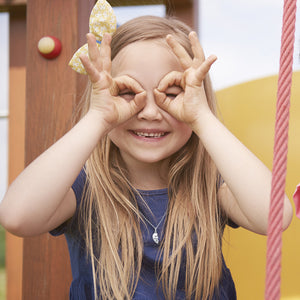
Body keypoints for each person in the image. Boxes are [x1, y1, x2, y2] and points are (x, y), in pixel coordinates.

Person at [0, 1, 293, 299]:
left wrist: (201, 117)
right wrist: (99, 117)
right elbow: (17, 216)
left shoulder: (209, 183)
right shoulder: (86, 187)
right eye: (127, 92)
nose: (151, 112)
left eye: (172, 92)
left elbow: (274, 217)